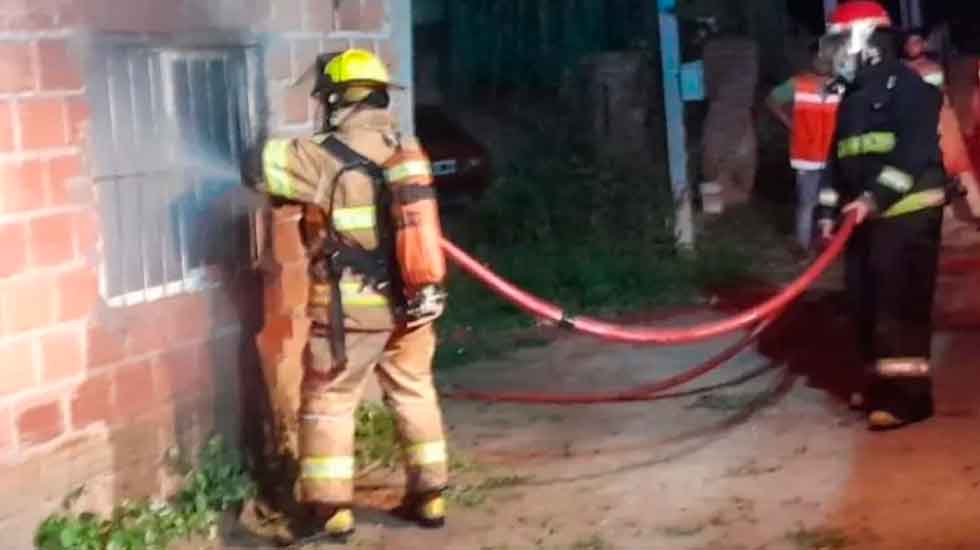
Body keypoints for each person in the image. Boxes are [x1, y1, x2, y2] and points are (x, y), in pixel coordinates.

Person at [243, 48, 450, 541]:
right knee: (413, 390)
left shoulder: (319, 156)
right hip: (415, 305)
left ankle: (330, 509)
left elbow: (258, 166)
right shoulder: (409, 148)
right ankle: (431, 495)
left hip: (351, 312)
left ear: (336, 101)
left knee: (329, 399)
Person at [816, 1, 949, 431]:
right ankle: (879, 386)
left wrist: (874, 197)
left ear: (866, 43)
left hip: (907, 213)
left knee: (899, 305)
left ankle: (910, 399)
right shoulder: (852, 100)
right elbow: (840, 162)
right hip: (864, 217)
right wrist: (826, 209)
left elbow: (913, 153)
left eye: (840, 43)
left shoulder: (911, 91)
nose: (834, 54)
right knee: (864, 301)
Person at [767, 46, 841, 254]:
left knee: (828, 196)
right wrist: (790, 123)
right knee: (807, 202)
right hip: (807, 153)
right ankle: (802, 247)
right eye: (819, 57)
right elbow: (772, 100)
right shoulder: (798, 83)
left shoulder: (839, 86)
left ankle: (824, 240)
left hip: (830, 152)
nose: (822, 62)